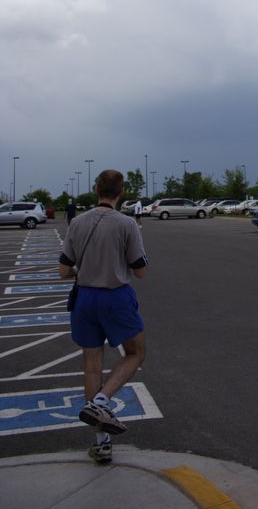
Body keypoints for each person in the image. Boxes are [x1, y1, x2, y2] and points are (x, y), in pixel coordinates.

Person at [58, 169, 148, 465]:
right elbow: (140, 270)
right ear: (120, 192)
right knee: (135, 353)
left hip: (84, 298)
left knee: (91, 363)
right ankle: (102, 401)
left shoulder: (78, 223)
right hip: (116, 297)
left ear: (96, 189)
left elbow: (63, 270)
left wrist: (85, 269)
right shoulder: (126, 224)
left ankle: (101, 441)